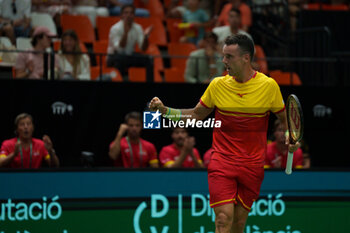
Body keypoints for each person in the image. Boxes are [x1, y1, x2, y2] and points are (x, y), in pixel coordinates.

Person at [149, 34, 299, 233]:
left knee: (238, 224)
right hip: (222, 161)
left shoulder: (268, 86)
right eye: (223, 56)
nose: (224, 61)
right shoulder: (218, 85)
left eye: (229, 56)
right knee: (223, 218)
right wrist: (164, 111)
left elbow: (285, 120)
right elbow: (195, 116)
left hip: (252, 165)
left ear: (246, 58)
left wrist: (291, 136)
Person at [107, 4, 154, 82]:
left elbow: (143, 48)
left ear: (134, 15)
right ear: (121, 15)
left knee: (148, 59)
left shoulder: (138, 27)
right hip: (114, 57)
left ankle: (150, 88)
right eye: (126, 13)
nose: (129, 15)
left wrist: (145, 37)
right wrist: (125, 33)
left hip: (129, 55)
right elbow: (120, 49)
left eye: (131, 13)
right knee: (120, 59)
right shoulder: (115, 28)